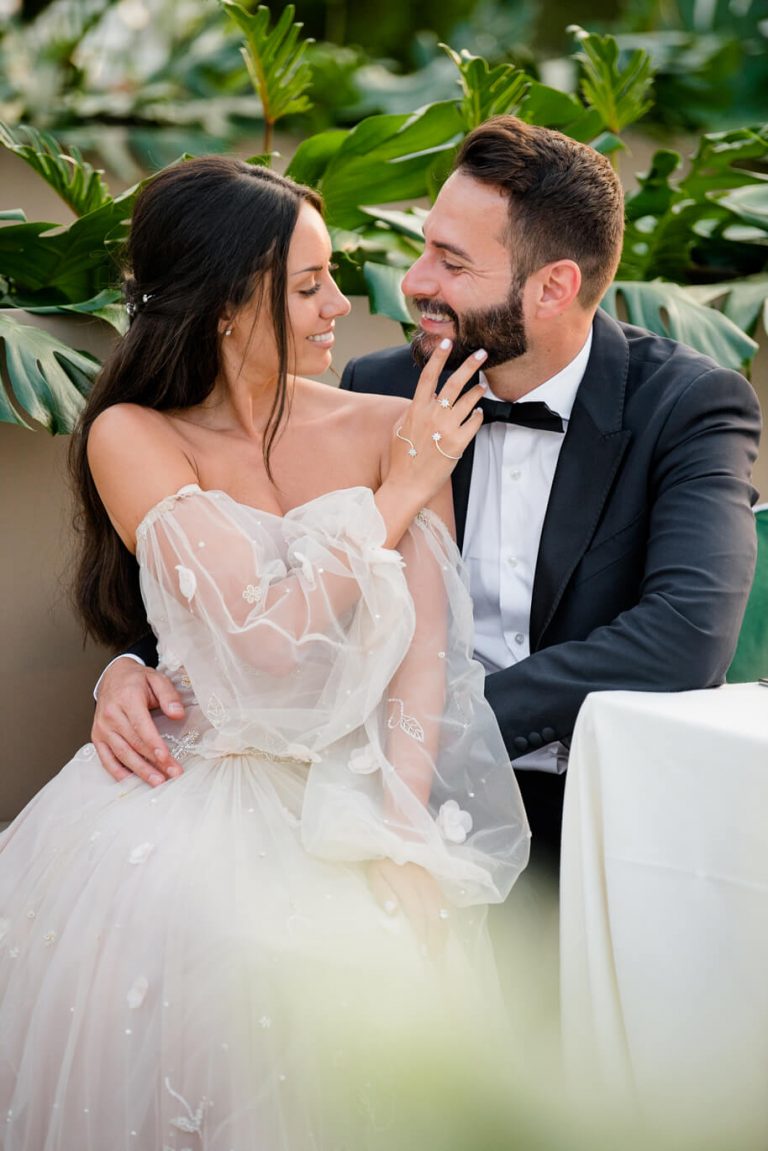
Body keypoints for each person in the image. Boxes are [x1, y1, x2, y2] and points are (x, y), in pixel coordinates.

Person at [0, 156, 530, 1148]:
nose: (340, 306)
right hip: (183, 793)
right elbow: (264, 641)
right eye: (309, 284)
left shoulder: (392, 427)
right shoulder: (133, 433)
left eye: (333, 277)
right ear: (226, 305)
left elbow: (424, 656)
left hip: (354, 796)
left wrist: (401, 832)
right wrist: (398, 493)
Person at [93, 116, 762, 877]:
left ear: (553, 287)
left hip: (585, 802)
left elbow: (685, 634)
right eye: (424, 248)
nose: (412, 283)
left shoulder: (685, 406)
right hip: (355, 785)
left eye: (451, 262)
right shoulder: (380, 390)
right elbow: (251, 574)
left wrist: (439, 727)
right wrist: (131, 668)